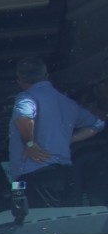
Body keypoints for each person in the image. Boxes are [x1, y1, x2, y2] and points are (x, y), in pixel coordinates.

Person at [9, 56, 103, 208]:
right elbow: (96, 124)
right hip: (64, 174)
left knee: (38, 222)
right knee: (65, 220)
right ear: (46, 76)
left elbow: (23, 118)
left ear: (19, 81)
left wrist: (30, 143)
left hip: (34, 174)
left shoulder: (27, 97)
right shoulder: (66, 102)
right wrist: (70, 139)